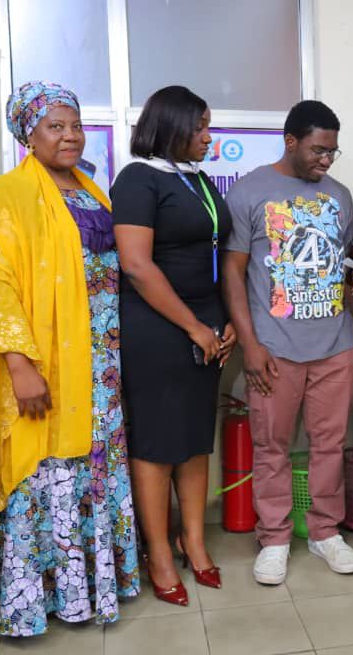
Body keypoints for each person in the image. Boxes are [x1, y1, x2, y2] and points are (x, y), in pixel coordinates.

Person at [0, 81, 140, 636]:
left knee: (96, 465)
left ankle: (94, 586)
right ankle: (43, 598)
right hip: (46, 362)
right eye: (55, 126)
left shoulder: (95, 192)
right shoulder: (5, 197)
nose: (70, 136)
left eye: (75, 125)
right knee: (48, 469)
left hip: (102, 365)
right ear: (29, 134)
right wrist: (19, 365)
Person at [222, 100, 353, 585]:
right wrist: (250, 344)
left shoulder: (340, 196)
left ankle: (325, 532)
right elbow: (233, 272)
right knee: (272, 446)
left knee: (330, 444)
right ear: (290, 141)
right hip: (274, 347)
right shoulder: (249, 190)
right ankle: (275, 538)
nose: (326, 160)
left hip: (334, 343)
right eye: (318, 150)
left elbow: (345, 273)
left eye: (332, 152)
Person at [112, 85, 235, 606]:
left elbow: (217, 256)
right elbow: (137, 265)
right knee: (158, 442)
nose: (208, 136)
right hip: (157, 327)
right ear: (171, 126)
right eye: (199, 127)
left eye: (209, 126)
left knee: (194, 438)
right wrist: (194, 327)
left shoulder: (198, 179)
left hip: (206, 323)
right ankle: (160, 553)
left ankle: (194, 541)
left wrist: (222, 320)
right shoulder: (137, 178)